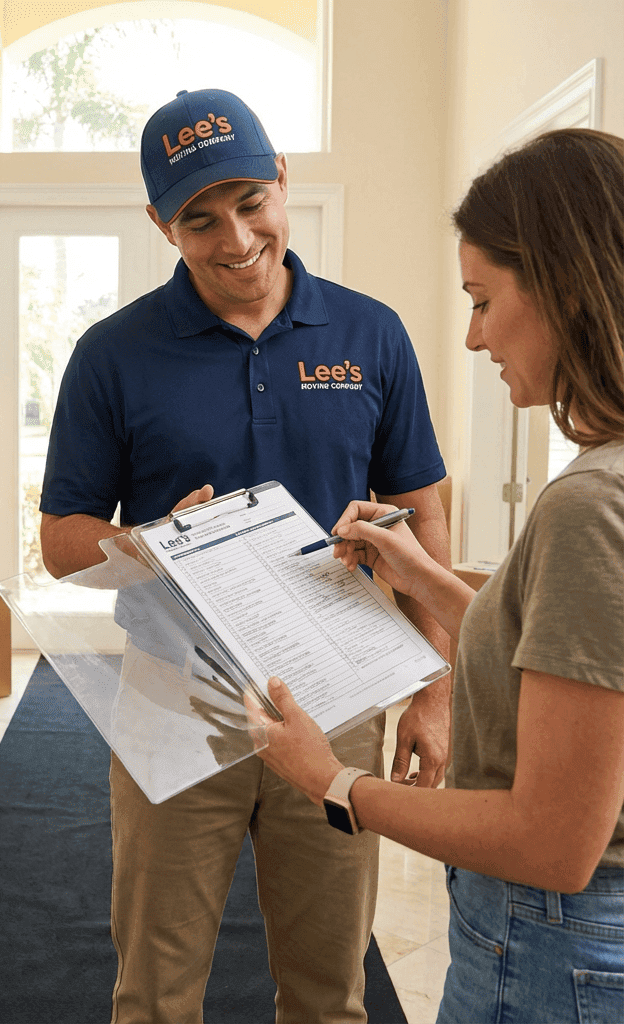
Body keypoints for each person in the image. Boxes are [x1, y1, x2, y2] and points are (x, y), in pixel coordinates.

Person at [39, 87, 452, 1024]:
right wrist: (143, 547)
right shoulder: (112, 354)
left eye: (250, 201)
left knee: (329, 987)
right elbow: (62, 541)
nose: (235, 238)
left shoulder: (369, 333)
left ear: (281, 181)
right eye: (199, 218)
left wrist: (433, 688)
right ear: (160, 223)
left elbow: (423, 509)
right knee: (154, 990)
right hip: (175, 698)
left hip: (339, 693)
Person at [248, 127, 624, 1024]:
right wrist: (422, 576)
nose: (471, 336)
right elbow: (577, 659)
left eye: (484, 299)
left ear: (566, 289)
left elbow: (551, 840)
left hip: (548, 946)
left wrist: (332, 782)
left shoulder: (588, 507)